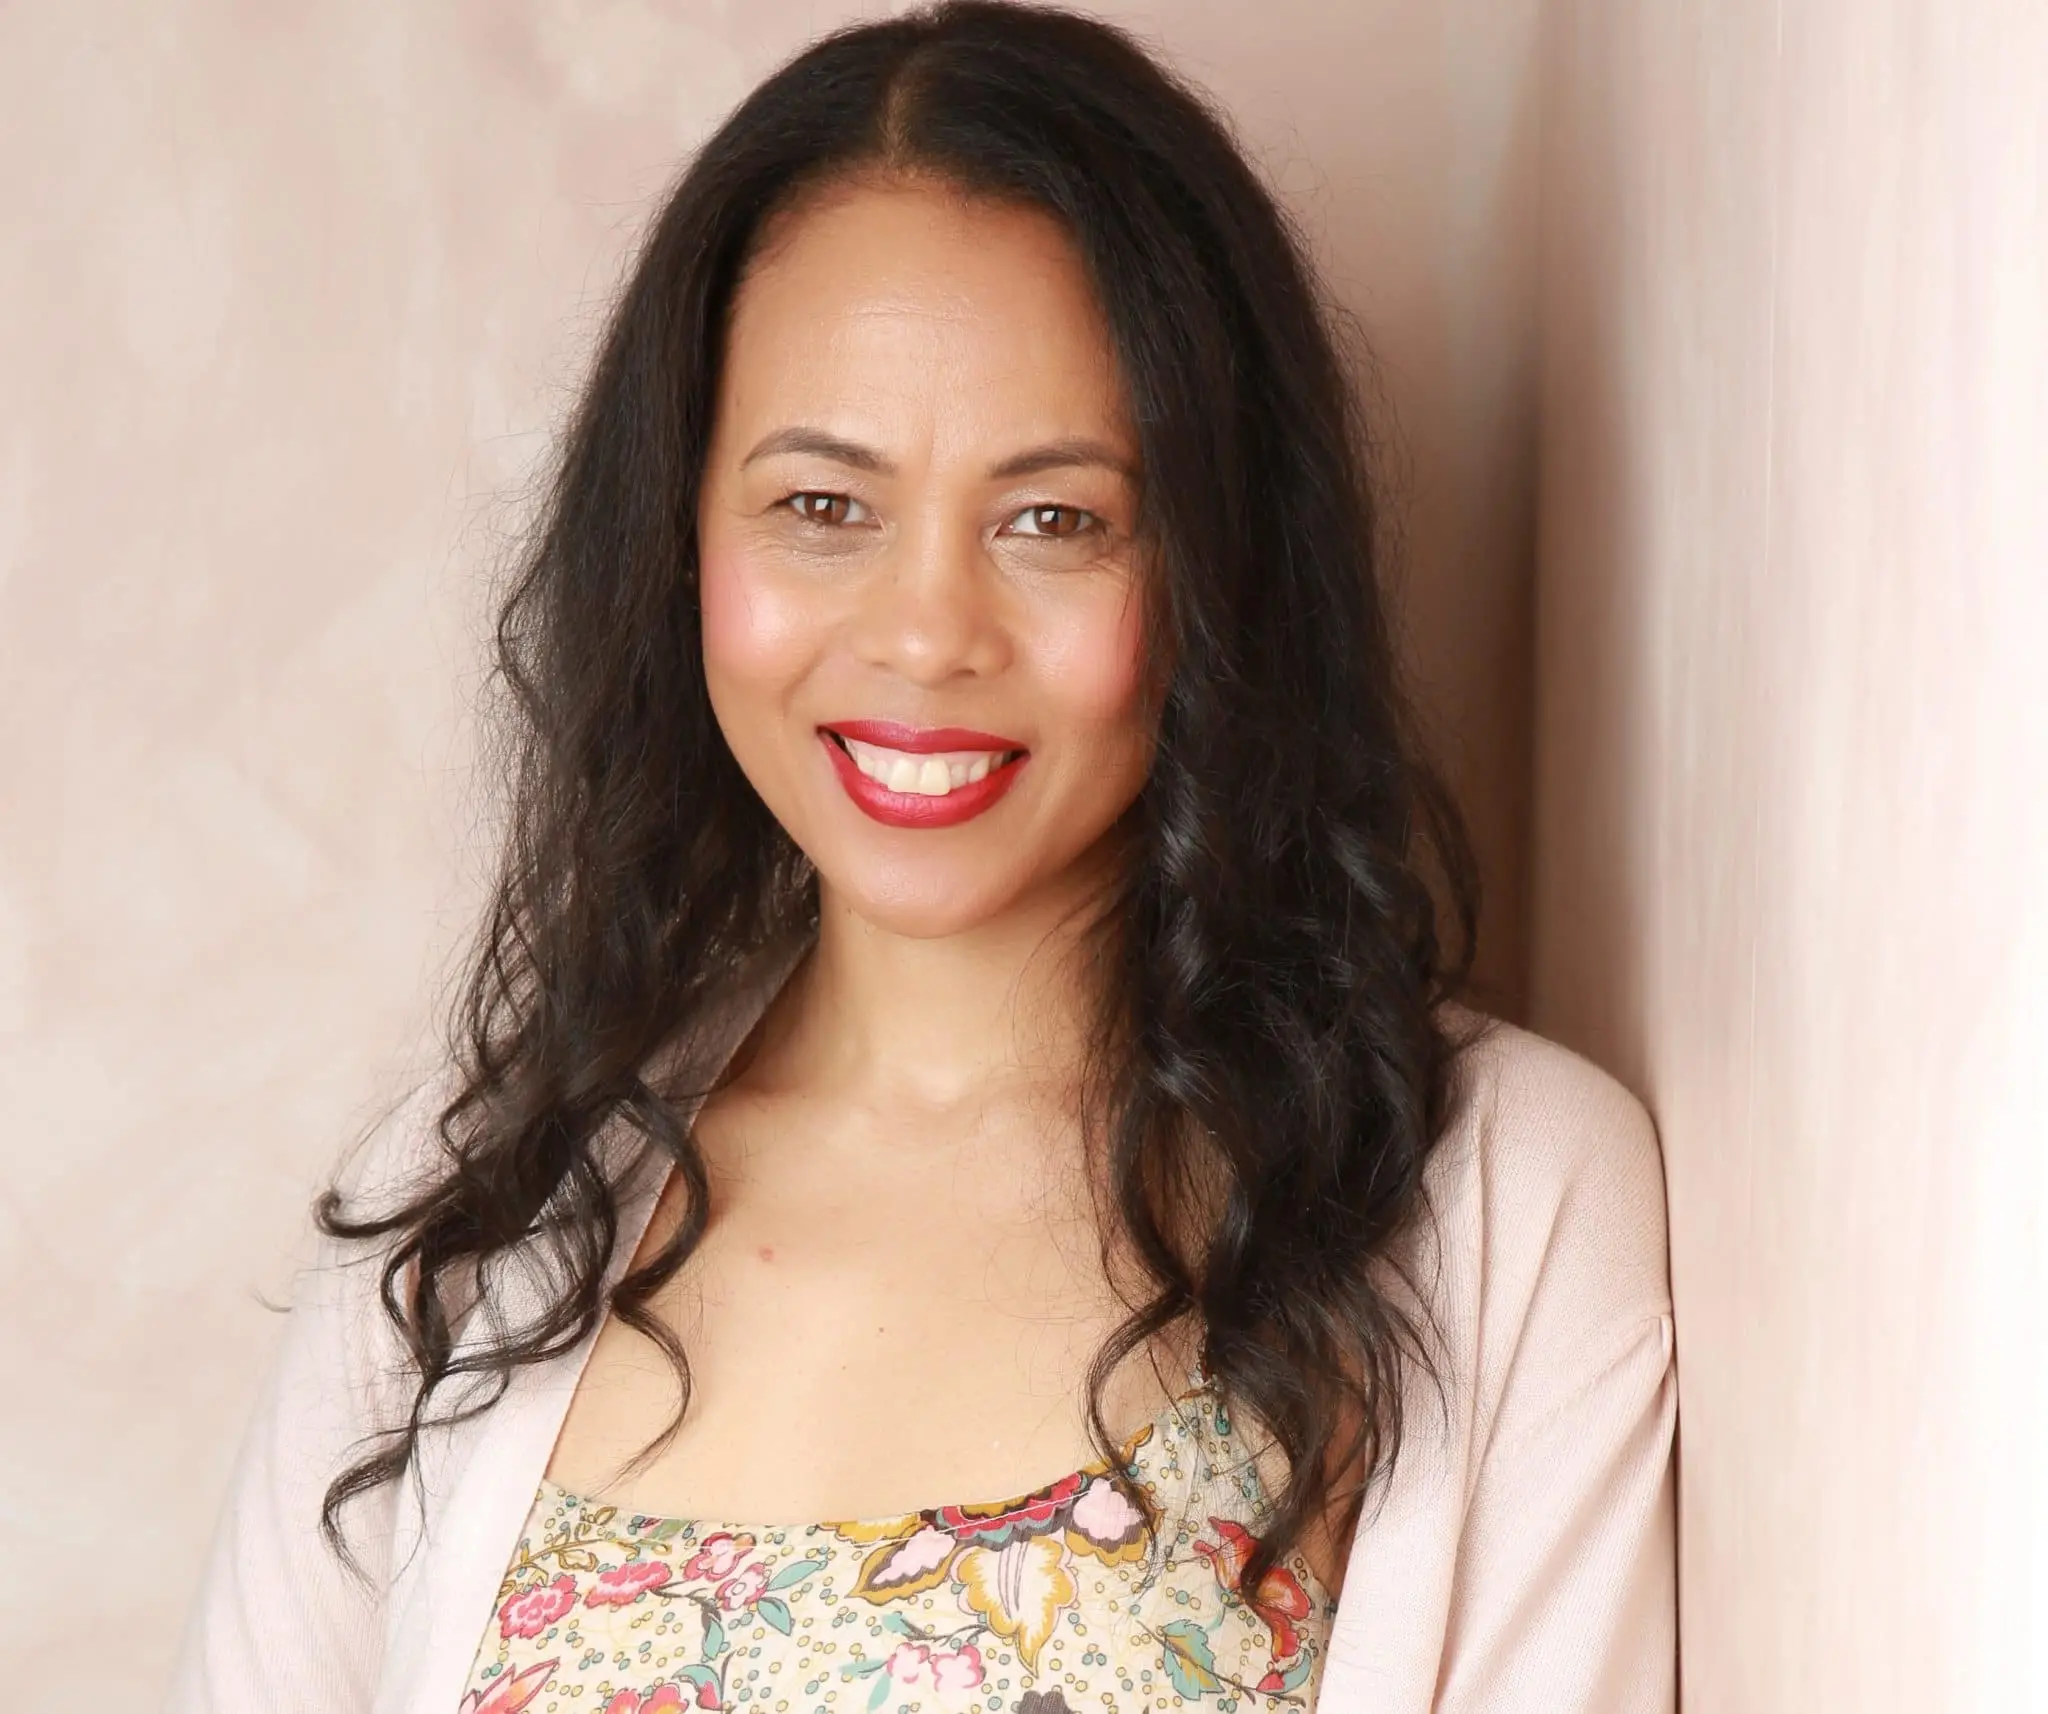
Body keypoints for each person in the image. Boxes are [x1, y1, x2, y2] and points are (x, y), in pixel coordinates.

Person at [169, 5, 1675, 1711]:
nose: (925, 631)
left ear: (1218, 566)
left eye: (1056, 518)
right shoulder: (474, 1229)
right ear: (678, 540)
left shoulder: (1499, 1205)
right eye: (823, 506)